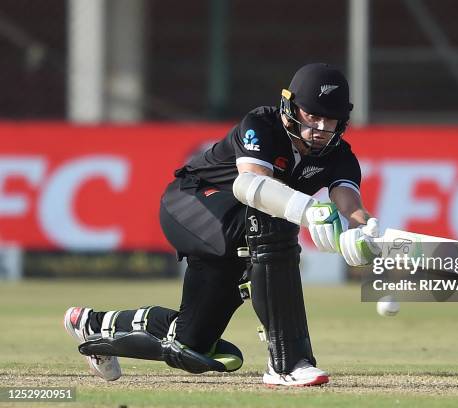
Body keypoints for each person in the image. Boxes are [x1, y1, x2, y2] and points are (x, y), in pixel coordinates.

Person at [63, 63, 380, 387]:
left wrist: (364, 231)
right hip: (192, 204)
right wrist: (310, 210)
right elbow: (250, 185)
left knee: (190, 342)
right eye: (313, 115)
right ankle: (287, 362)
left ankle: (93, 324)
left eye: (331, 119)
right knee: (272, 215)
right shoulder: (260, 125)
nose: (321, 127)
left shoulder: (339, 154)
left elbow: (351, 205)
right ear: (290, 105)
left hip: (239, 238)